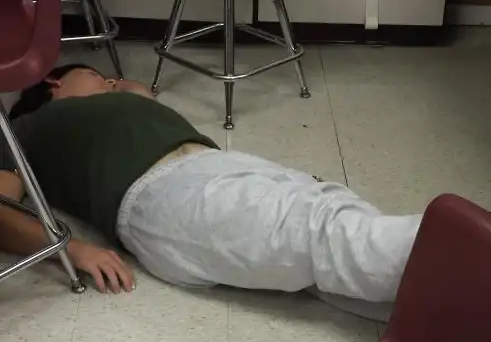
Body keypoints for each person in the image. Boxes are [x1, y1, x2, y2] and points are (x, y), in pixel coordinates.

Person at [0, 64, 421, 298]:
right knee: (316, 230)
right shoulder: (27, 128)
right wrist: (72, 248)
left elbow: (140, 92)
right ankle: (449, 250)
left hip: (213, 164)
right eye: (98, 74)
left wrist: (115, 87)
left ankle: (441, 304)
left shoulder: (124, 107)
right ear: (55, 80)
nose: (111, 80)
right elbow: (1, 210)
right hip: (159, 193)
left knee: (332, 216)